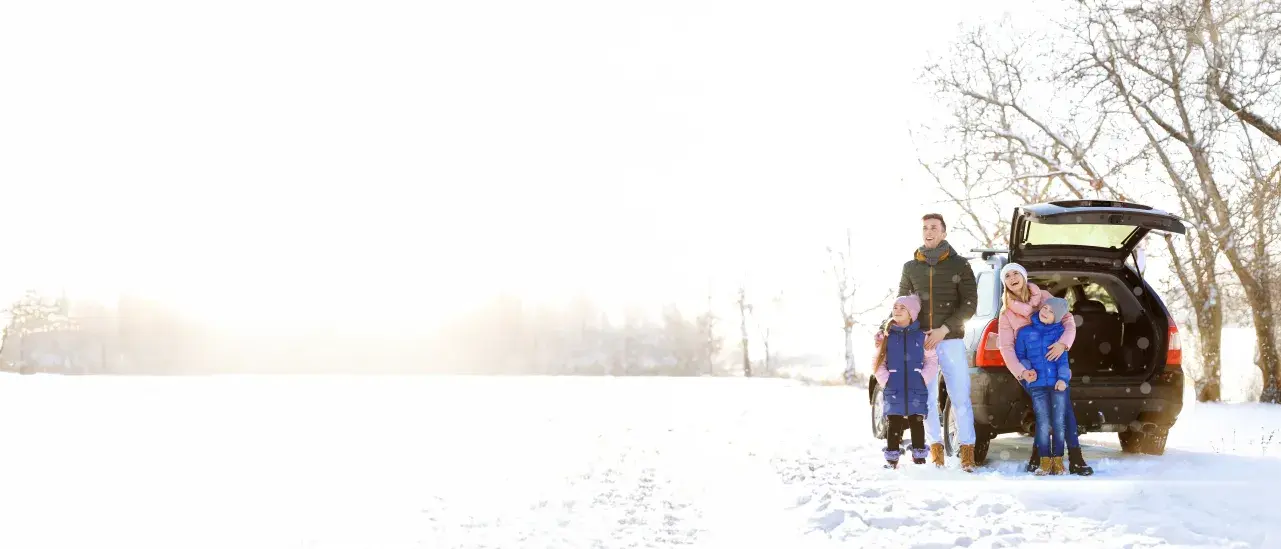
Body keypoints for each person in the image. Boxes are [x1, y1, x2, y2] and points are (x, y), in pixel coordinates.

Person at [896, 213, 979, 471]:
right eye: (925, 228)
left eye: (934, 227)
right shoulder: (911, 267)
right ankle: (936, 452)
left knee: (960, 396)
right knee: (927, 399)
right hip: (920, 342)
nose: (928, 231)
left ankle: (967, 452)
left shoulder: (960, 265)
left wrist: (944, 329)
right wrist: (897, 328)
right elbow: (902, 304)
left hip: (950, 339)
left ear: (944, 232)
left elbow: (969, 305)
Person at [996, 263, 1095, 476]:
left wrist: (1063, 344)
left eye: (1016, 273)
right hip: (1029, 369)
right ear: (1005, 283)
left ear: (1023, 276)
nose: (1013, 278)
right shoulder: (1006, 313)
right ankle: (1040, 458)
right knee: (1043, 411)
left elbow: (1068, 320)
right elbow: (1006, 347)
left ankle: (1074, 458)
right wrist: (1023, 372)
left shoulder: (1042, 297)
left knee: (1064, 409)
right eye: (1008, 276)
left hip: (1053, 363)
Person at [873, 295, 938, 469]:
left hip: (916, 385)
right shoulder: (886, 336)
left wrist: (923, 377)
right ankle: (892, 458)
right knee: (894, 420)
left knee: (916, 419)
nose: (897, 310)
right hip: (893, 385)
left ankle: (919, 458)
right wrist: (886, 380)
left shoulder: (921, 336)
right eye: (895, 307)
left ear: (912, 313)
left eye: (902, 308)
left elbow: (932, 360)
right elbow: (878, 362)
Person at [1014, 298, 1072, 475]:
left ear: (1057, 317)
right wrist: (1028, 370)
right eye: (1044, 308)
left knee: (1059, 423)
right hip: (1037, 385)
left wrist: (1063, 379)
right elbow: (1020, 355)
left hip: (1058, 385)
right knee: (1043, 422)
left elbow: (1063, 360)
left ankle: (1058, 461)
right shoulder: (1025, 332)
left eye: (1051, 311)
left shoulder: (1059, 333)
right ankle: (1044, 462)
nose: (1045, 311)